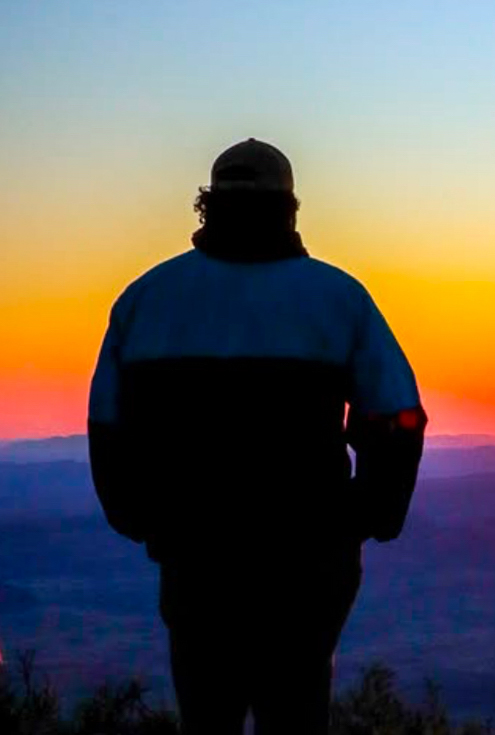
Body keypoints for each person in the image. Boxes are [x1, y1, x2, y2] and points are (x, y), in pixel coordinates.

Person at [87, 138, 427, 735]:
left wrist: (142, 517)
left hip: (196, 554)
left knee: (206, 712)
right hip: (307, 558)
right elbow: (398, 415)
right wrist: (367, 514)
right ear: (289, 208)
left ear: (208, 204)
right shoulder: (338, 297)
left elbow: (109, 425)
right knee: (296, 708)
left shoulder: (147, 298)